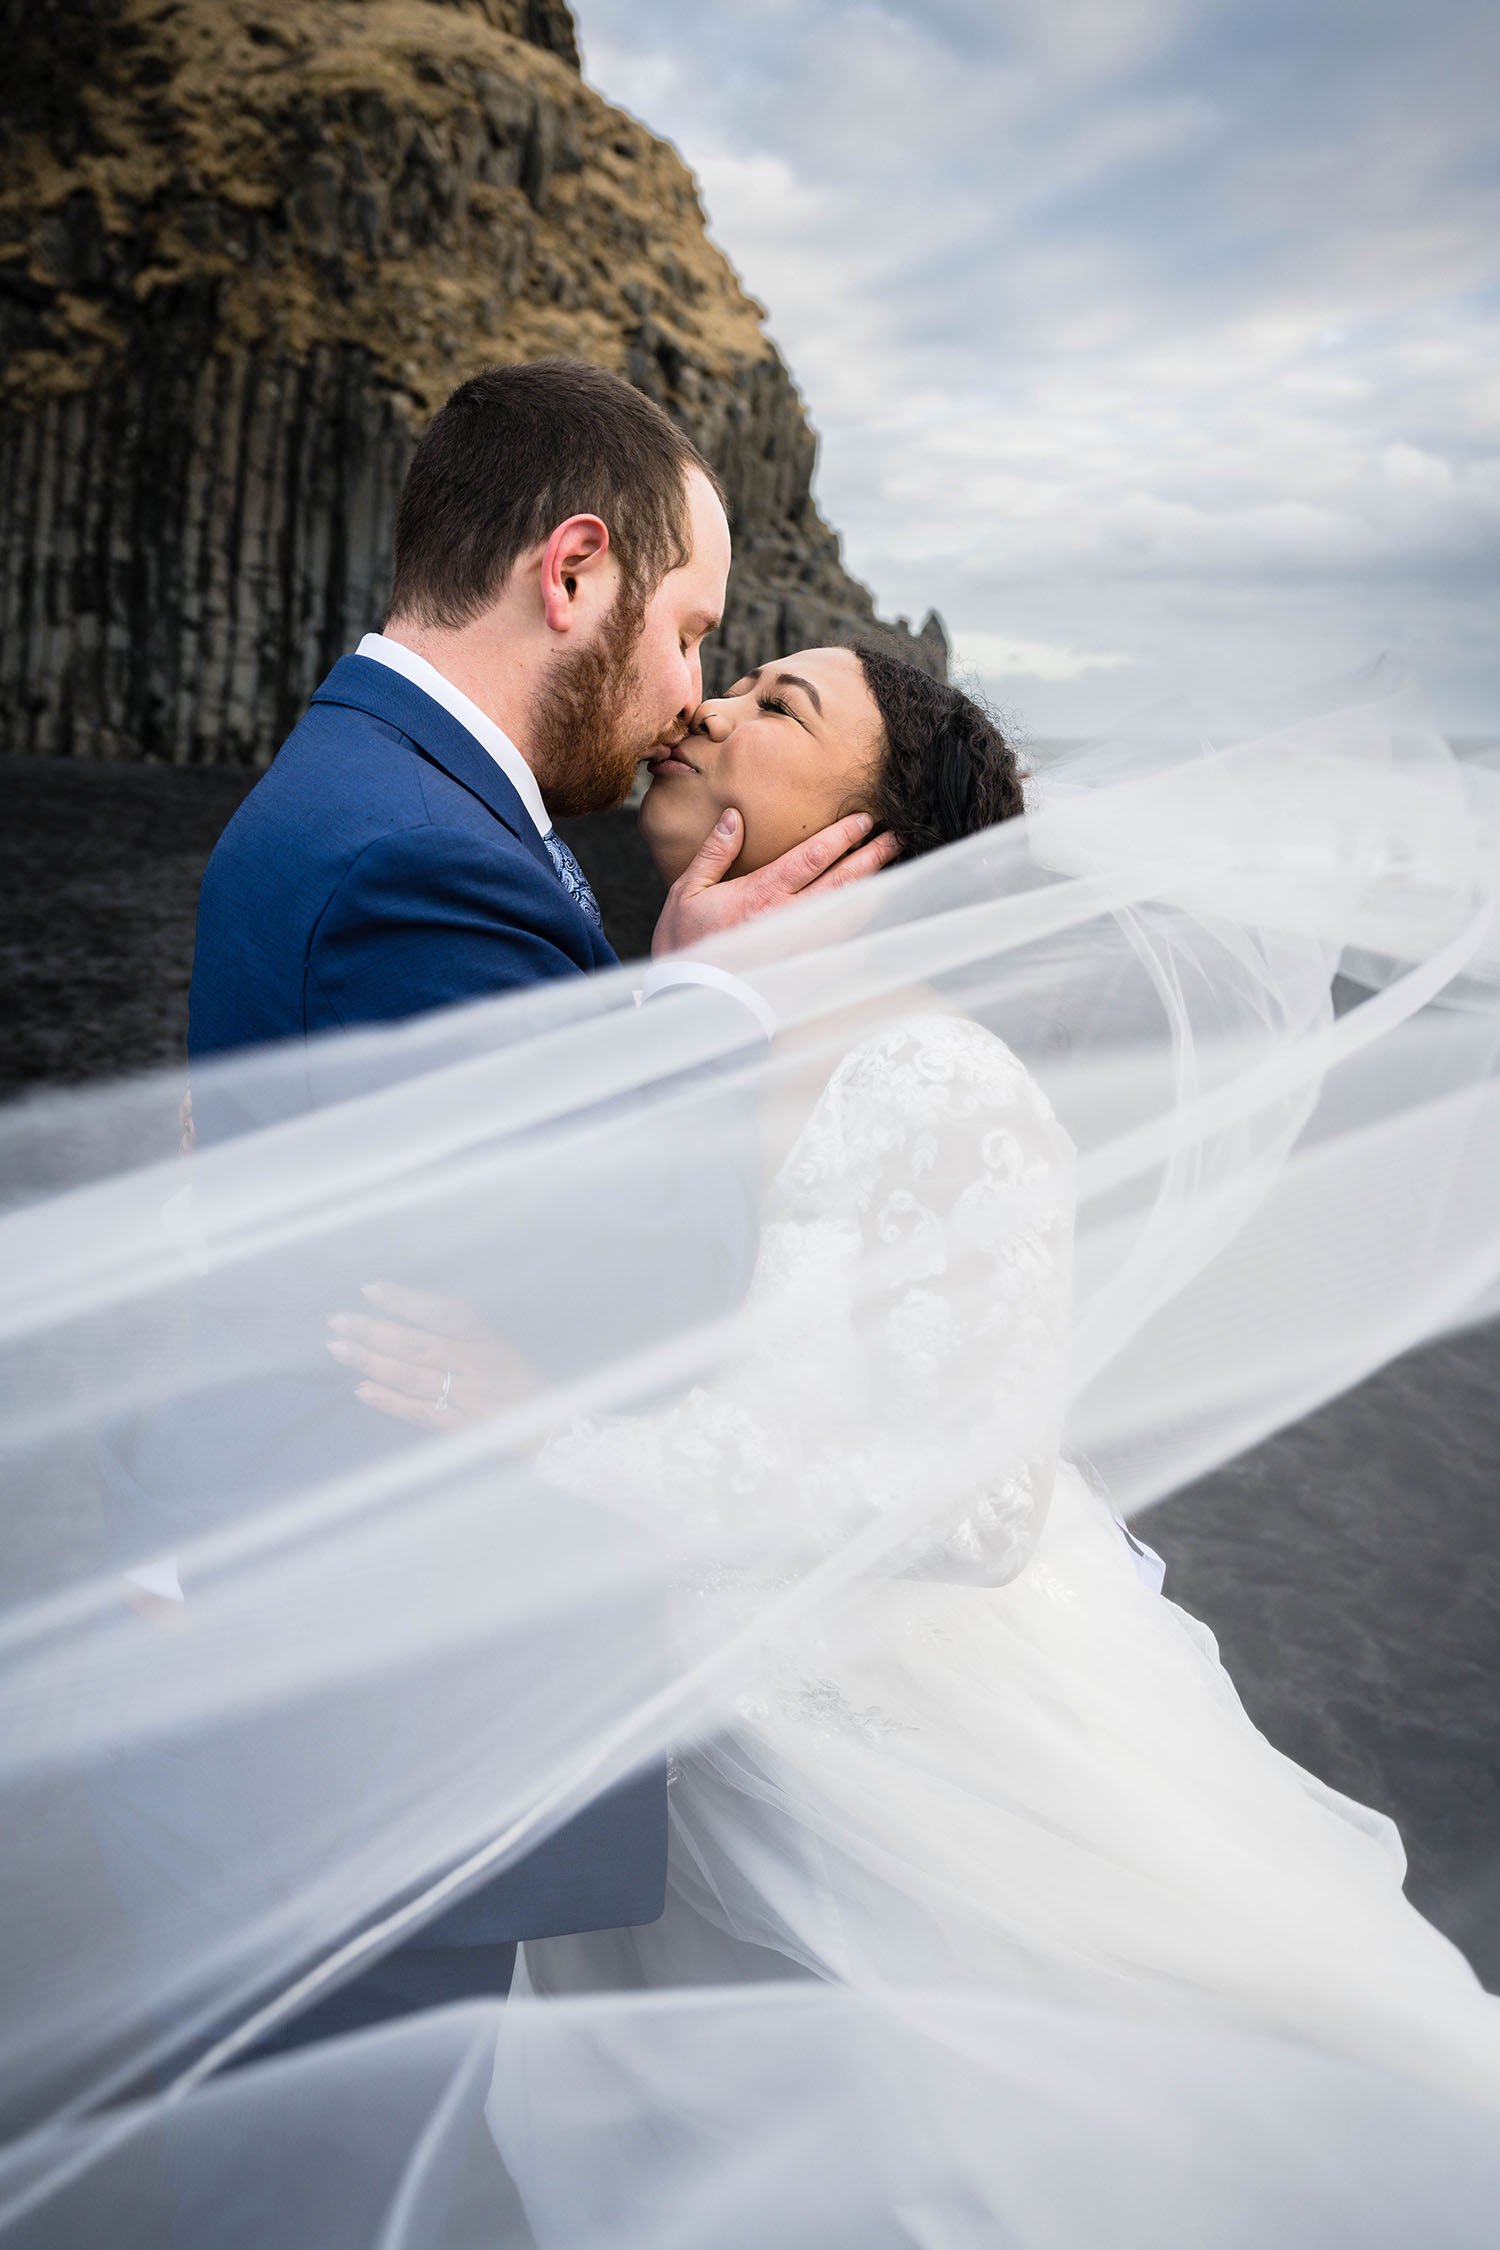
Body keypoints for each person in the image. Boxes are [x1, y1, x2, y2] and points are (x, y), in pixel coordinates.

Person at [338, 640, 1500, 2124]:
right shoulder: (701, 1019)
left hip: (896, 1755)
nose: (705, 706)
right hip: (673, 1725)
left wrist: (543, 1433)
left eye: (779, 705)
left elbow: (975, 1501)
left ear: (877, 839)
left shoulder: (937, 1082)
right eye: (737, 678)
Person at [105, 359, 901, 2055]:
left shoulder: (396, 788)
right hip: (371, 1727)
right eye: (692, 630)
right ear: (574, 572)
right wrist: (715, 1001)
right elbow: (633, 1283)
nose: (691, 693)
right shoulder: (424, 852)